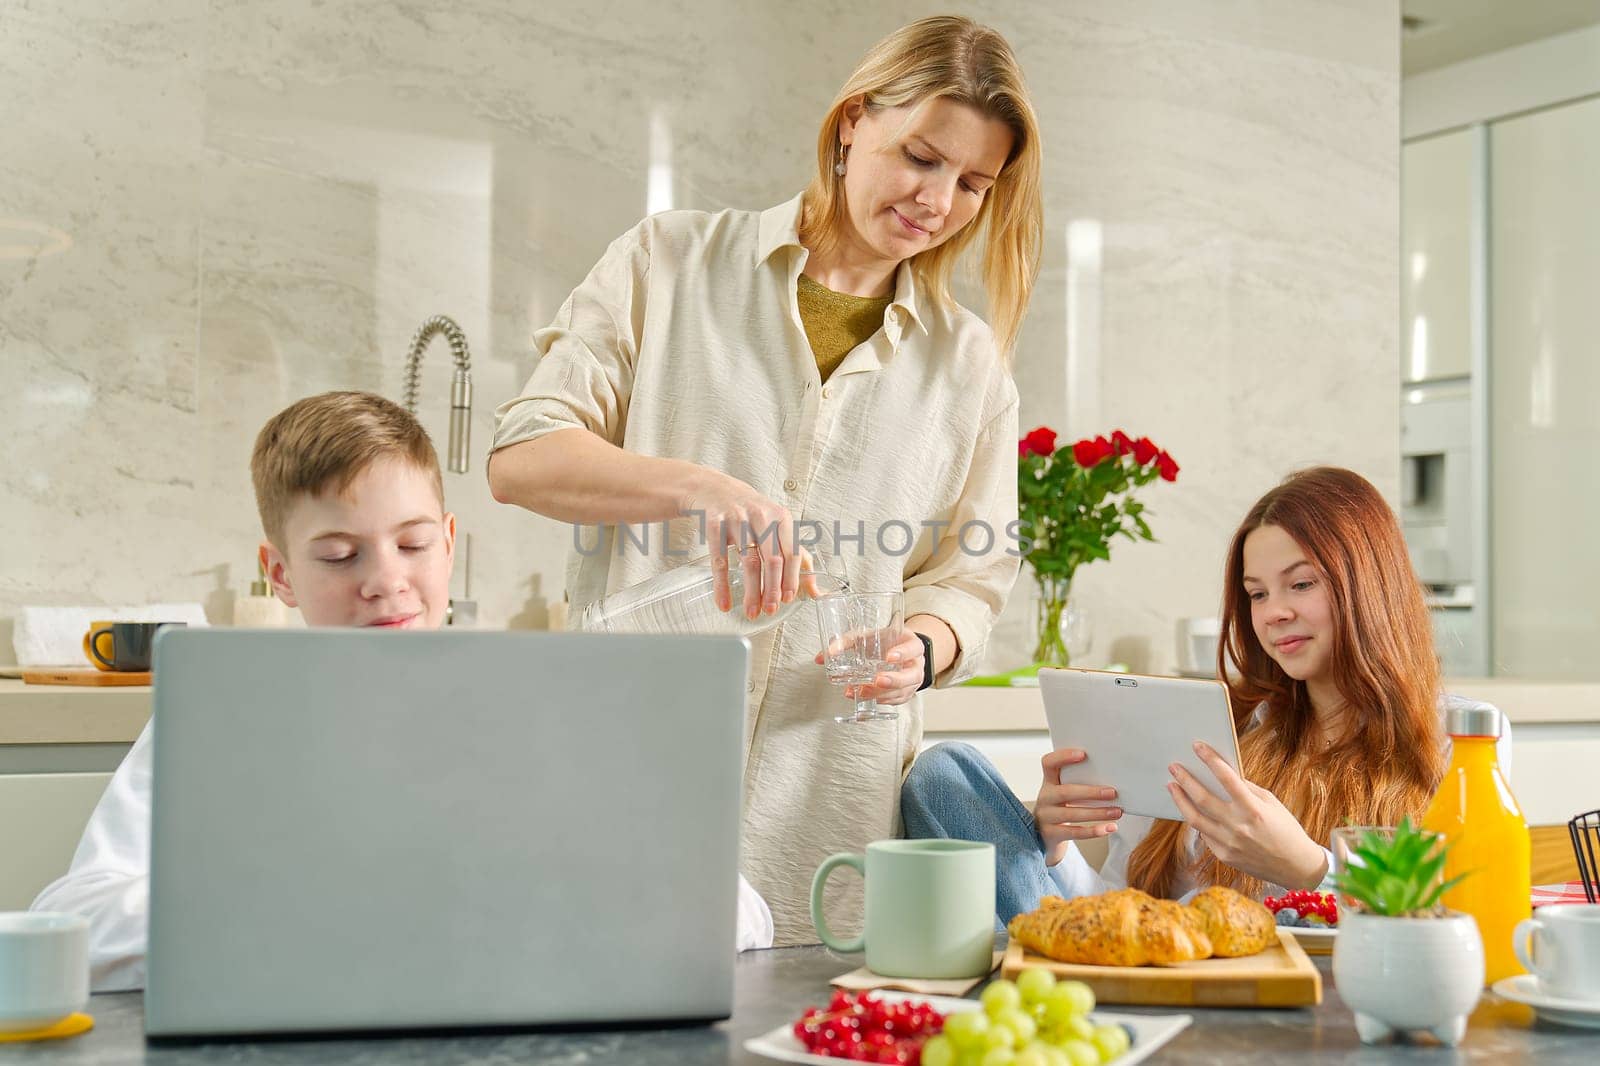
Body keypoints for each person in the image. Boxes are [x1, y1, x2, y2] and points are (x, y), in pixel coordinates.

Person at [487, 16, 1043, 943]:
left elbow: (973, 576)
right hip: (634, 778)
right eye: (920, 156)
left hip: (828, 807)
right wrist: (698, 488)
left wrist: (927, 644)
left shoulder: (970, 364)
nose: (938, 199)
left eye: (973, 184)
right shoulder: (669, 263)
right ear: (852, 122)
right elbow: (523, 455)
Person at [31, 392, 774, 991]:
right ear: (281, 574)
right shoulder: (218, 720)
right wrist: (317, 912)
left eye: (413, 545)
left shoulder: (545, 713)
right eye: (338, 554)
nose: (386, 579)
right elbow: (73, 919)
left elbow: (741, 911)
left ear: (450, 542)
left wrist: (556, 900)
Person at [902, 466, 1511, 921]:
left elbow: (1462, 920)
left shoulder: (1463, 738)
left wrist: (1309, 869)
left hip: (1332, 989)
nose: (1273, 613)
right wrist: (1052, 848)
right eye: (1257, 593)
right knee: (944, 774)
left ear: (1368, 584)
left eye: (1299, 583)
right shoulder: (1222, 725)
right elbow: (1125, 904)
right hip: (1171, 967)